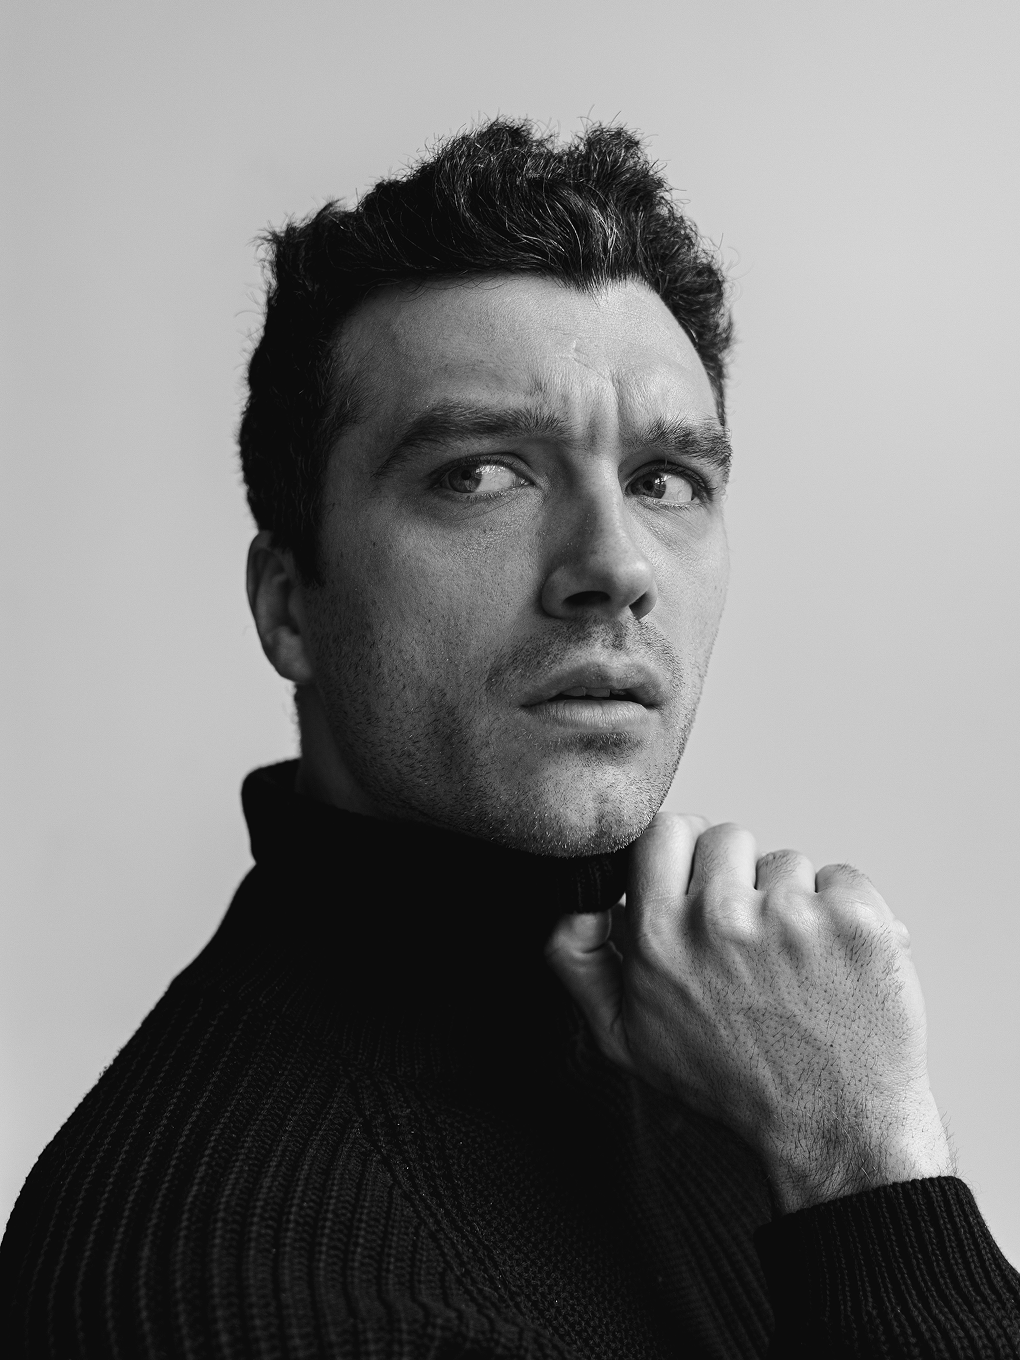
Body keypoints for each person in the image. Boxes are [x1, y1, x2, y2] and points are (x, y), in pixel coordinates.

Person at [2, 119, 1017, 1359]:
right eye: (481, 474)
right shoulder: (212, 1272)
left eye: (664, 478)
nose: (614, 566)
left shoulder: (737, 1045)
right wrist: (868, 1165)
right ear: (288, 603)